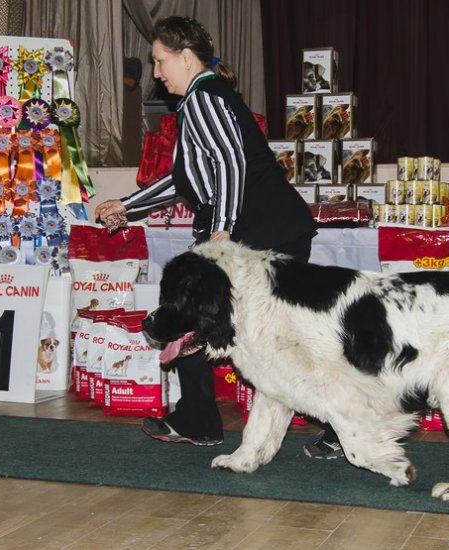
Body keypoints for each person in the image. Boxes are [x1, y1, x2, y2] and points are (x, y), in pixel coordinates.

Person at [95, 16, 318, 447]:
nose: (157, 74)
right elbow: (187, 178)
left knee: (265, 333)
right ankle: (199, 419)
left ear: (185, 56)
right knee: (255, 331)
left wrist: (221, 232)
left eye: (160, 62)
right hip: (264, 227)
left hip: (264, 228)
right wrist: (127, 206)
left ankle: (335, 420)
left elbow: (230, 164)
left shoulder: (203, 97)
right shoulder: (199, 100)